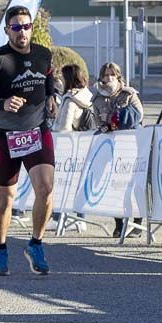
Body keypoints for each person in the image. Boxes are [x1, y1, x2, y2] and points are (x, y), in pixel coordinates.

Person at [0, 6, 57, 275]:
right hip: (5, 137)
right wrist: (1, 103)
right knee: (6, 199)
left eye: (26, 26)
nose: (22, 32)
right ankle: (0, 249)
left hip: (37, 131)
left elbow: (49, 77)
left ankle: (36, 244)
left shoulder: (43, 54)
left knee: (46, 189)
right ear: (7, 30)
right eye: (16, 28)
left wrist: (52, 96)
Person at [89, 62, 144, 238]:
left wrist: (120, 118)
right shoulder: (97, 98)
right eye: (106, 75)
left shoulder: (128, 93)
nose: (109, 78)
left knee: (134, 185)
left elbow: (139, 114)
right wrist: (105, 125)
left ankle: (136, 224)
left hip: (131, 146)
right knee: (114, 186)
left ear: (118, 76)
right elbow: (97, 120)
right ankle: (119, 223)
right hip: (110, 148)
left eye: (112, 74)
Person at [52, 64, 93, 132]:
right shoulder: (86, 95)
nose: (60, 79)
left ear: (67, 79)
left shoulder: (70, 101)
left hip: (69, 140)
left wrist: (53, 127)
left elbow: (64, 128)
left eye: (61, 76)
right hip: (84, 137)